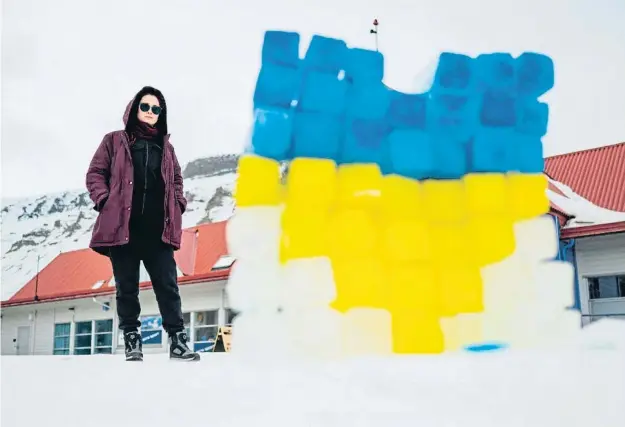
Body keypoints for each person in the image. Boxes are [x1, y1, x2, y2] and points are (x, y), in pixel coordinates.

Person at [86, 86, 199, 362]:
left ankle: (177, 342)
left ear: (161, 114)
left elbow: (176, 181)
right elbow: (95, 173)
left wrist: (178, 203)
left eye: (156, 109)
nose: (150, 113)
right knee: (127, 288)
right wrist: (104, 200)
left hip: (158, 231)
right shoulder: (114, 141)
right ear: (134, 108)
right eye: (145, 107)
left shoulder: (167, 148)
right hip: (123, 230)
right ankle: (132, 341)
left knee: (168, 286)